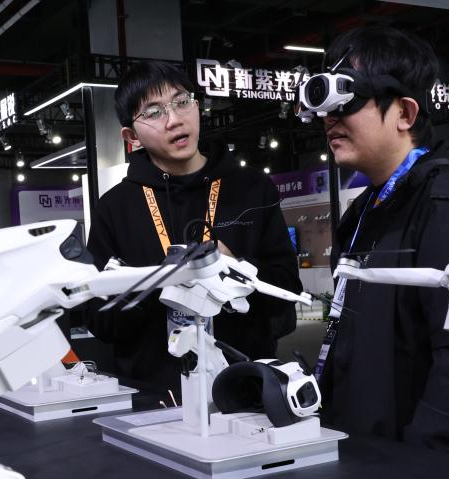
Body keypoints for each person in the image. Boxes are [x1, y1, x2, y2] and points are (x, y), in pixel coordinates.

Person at [317, 25, 449, 457]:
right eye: (325, 105)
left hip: (422, 465)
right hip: (364, 448)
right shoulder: (362, 212)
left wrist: (420, 461)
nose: (329, 118)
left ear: (405, 113)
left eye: (347, 99)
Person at [86, 61, 302, 391]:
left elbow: (286, 295)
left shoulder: (252, 188)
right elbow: (98, 320)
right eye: (154, 112)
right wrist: (158, 284)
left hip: (245, 390)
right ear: (132, 136)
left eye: (181, 102)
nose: (174, 119)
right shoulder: (115, 208)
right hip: (154, 396)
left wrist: (238, 270)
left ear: (197, 106)